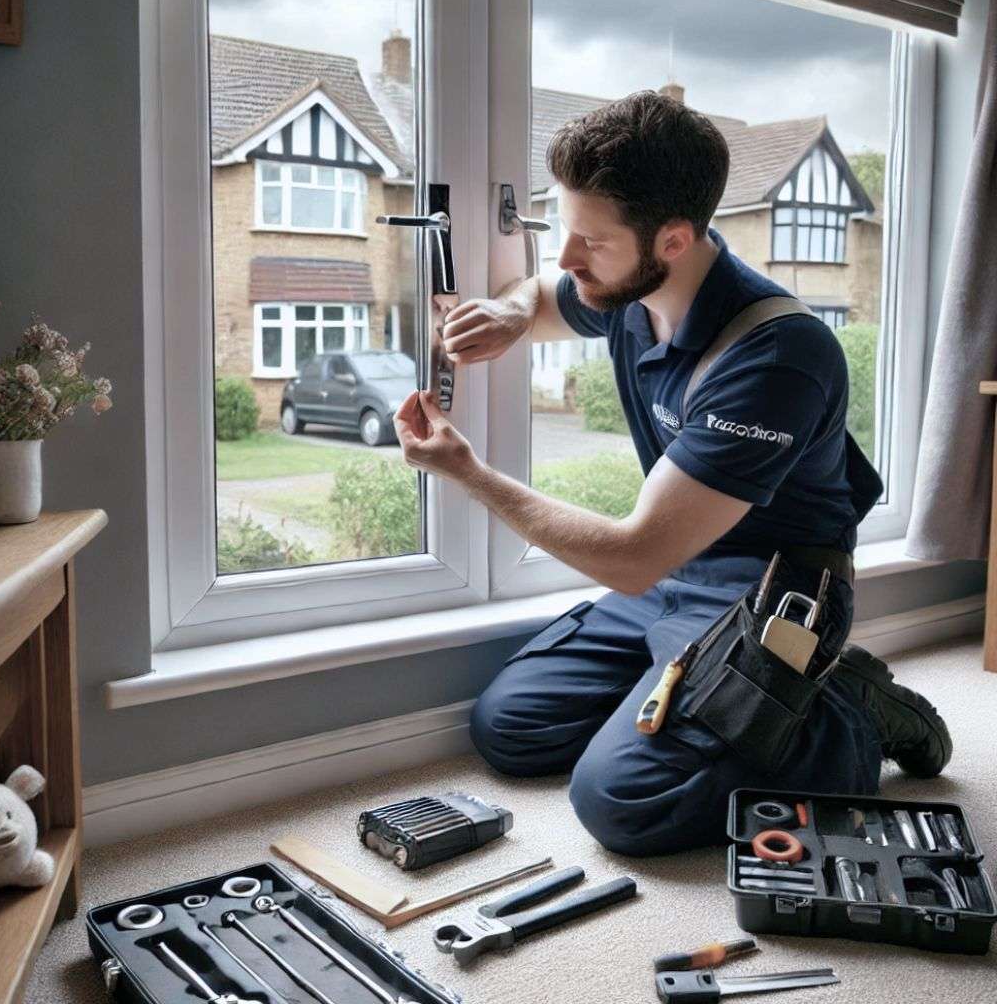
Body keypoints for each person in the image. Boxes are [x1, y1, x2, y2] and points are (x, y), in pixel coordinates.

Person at [393, 90, 951, 856]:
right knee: (511, 729)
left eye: (591, 240)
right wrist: (515, 313)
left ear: (674, 240)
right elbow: (548, 294)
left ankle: (849, 712)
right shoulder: (626, 287)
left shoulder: (776, 355)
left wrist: (470, 473)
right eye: (564, 228)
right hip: (677, 575)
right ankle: (716, 702)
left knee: (620, 800)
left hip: (769, 590)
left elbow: (631, 557)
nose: (566, 258)